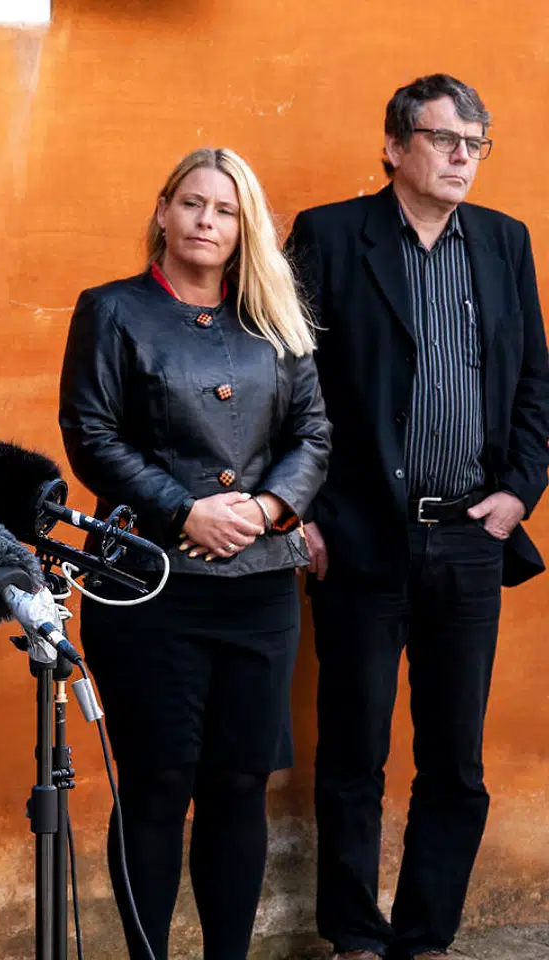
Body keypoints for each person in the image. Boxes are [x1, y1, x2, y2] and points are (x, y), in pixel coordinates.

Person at [288, 74, 549, 960]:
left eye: (477, 142)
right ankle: (355, 937)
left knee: (456, 761)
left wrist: (518, 491)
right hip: (361, 536)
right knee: (353, 753)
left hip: (473, 538)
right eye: (446, 139)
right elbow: (289, 381)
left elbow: (534, 382)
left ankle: (426, 938)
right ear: (396, 146)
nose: (464, 157)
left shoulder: (504, 243)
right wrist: (305, 515)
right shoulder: (329, 236)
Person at [59, 147, 330, 960]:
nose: (208, 222)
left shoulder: (276, 320)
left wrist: (271, 505)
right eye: (194, 205)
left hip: (259, 588)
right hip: (149, 586)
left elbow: (313, 432)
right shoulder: (112, 310)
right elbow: (90, 433)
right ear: (164, 212)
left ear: (247, 227)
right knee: (157, 785)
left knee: (239, 785)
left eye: (226, 210)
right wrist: (183, 509)